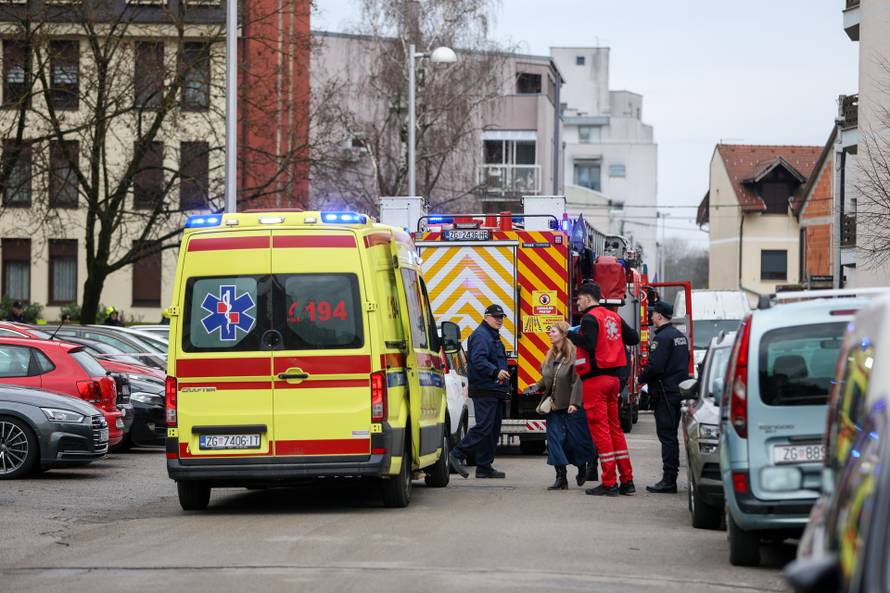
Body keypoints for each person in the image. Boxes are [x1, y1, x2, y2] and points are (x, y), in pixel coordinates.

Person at [568, 282, 640, 497]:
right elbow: (634, 338)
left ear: (588, 299)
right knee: (615, 430)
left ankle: (609, 482)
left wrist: (569, 335)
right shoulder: (613, 316)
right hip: (612, 380)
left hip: (595, 381)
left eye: (579, 299)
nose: (577, 303)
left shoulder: (590, 318)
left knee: (601, 431)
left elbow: (588, 343)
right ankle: (627, 480)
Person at [523, 321, 597, 490]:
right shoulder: (549, 356)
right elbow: (547, 378)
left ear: (564, 334)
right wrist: (536, 386)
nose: (550, 334)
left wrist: (574, 403)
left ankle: (581, 467)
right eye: (550, 331)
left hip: (571, 407)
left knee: (574, 442)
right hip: (554, 408)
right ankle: (561, 477)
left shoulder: (575, 355)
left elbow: (578, 381)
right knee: (554, 441)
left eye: (553, 331)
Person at [449, 304, 510, 479]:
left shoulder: (492, 335)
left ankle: (484, 466)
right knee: (484, 427)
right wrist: (495, 371)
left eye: (501, 317)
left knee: (492, 429)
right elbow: (477, 360)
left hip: (494, 390)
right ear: (486, 317)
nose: (499, 320)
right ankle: (456, 454)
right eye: (496, 317)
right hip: (485, 389)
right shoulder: (481, 336)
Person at [639, 300, 690, 494]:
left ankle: (669, 480)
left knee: (667, 437)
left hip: (665, 394)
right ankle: (670, 478)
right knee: (671, 437)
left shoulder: (661, 339)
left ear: (660, 316)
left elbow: (655, 367)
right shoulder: (680, 336)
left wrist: (640, 378)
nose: (651, 316)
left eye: (653, 314)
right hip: (677, 392)